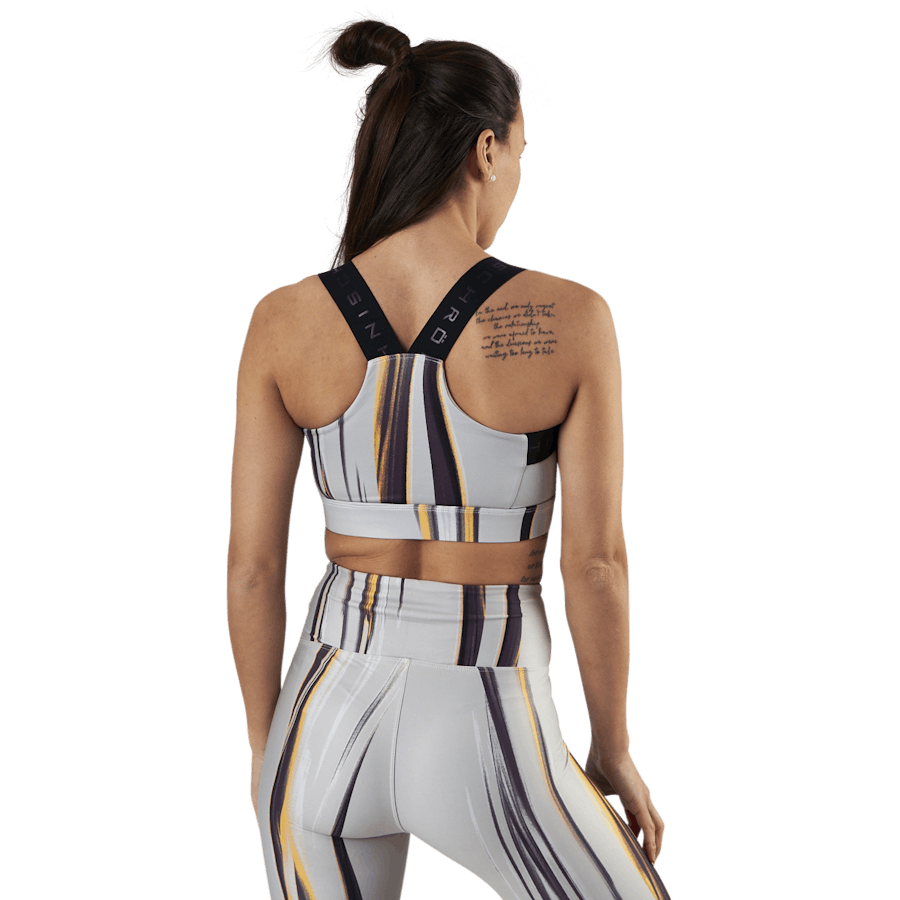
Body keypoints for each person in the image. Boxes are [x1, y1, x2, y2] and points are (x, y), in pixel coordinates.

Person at [227, 15, 671, 900]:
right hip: (487, 711)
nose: (517, 175)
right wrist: (612, 746)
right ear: (486, 151)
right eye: (520, 152)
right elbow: (596, 563)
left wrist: (265, 749)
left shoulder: (283, 319)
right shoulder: (571, 317)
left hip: (319, 719)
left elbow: (252, 567)